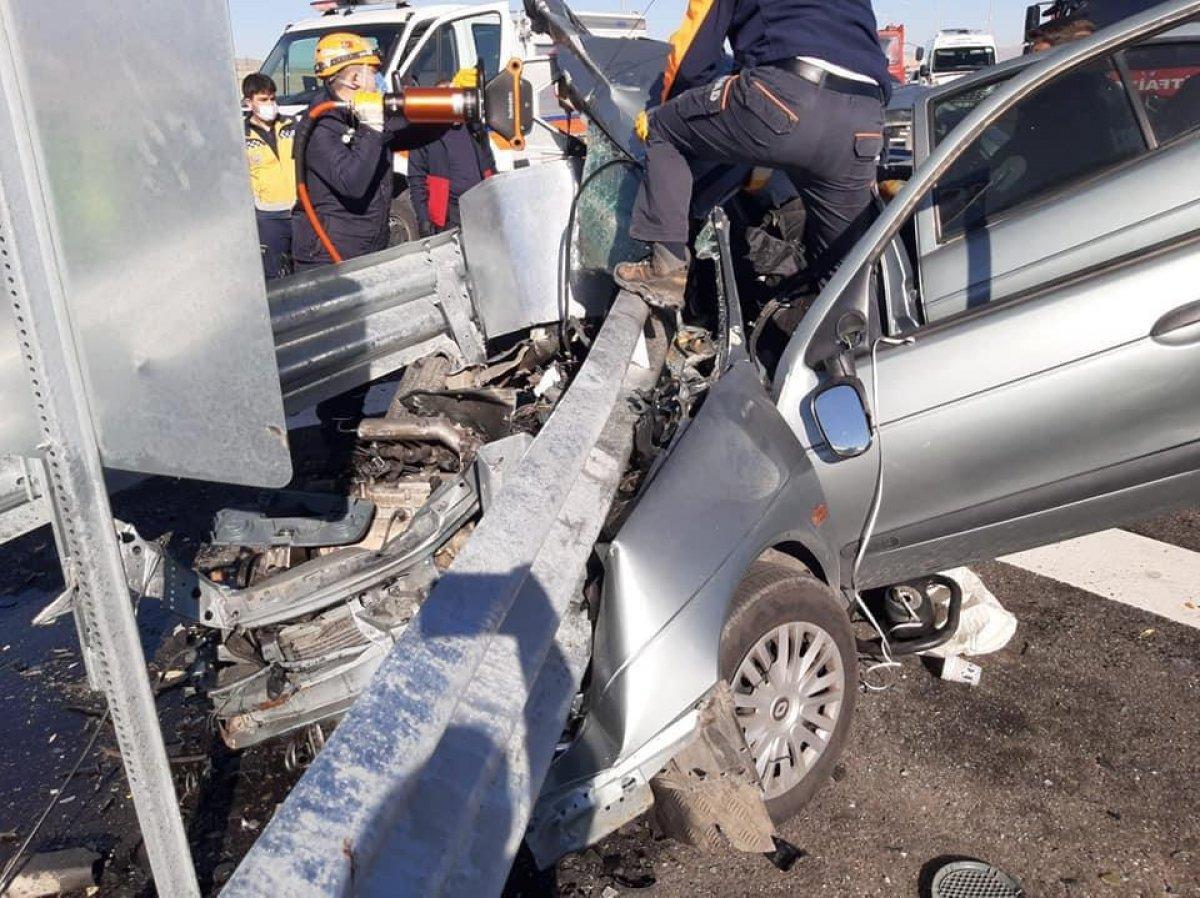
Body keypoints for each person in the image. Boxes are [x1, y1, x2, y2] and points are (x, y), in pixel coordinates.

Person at [614, 0, 892, 309]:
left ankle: (665, 270)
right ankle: (852, 350)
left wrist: (674, 109)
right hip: (866, 118)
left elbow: (691, 62)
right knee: (845, 281)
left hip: (787, 93)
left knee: (663, 128)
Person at [292, 32, 446, 271]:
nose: (378, 81)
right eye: (374, 73)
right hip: (328, 257)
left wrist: (450, 108)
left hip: (366, 247)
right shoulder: (319, 125)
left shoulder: (358, 114)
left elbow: (412, 133)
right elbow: (352, 183)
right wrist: (372, 127)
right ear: (354, 78)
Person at [407, 69, 497, 237]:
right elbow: (416, 180)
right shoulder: (423, 134)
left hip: (481, 207)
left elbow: (490, 164)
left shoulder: (473, 128)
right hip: (450, 214)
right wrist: (424, 220)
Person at [242, 73, 296, 280]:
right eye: (263, 100)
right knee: (275, 273)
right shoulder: (242, 136)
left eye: (272, 98)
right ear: (249, 102)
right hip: (268, 216)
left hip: (298, 210)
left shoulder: (291, 125)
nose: (270, 104)